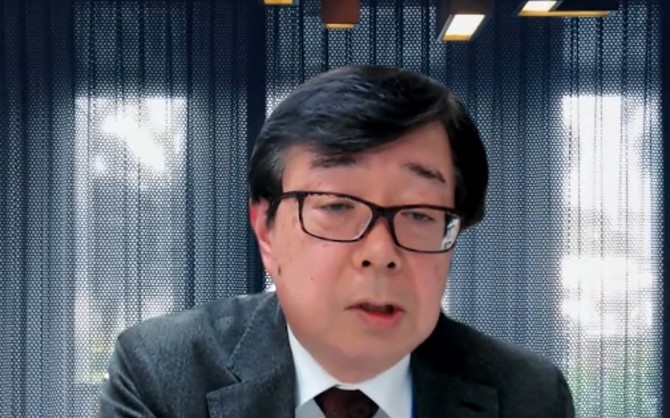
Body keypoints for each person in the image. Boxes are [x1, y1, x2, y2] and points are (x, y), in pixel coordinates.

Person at [99, 64, 574, 418]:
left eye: (419, 214)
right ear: (266, 230)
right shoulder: (162, 373)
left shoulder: (527, 397)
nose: (380, 254)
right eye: (337, 206)